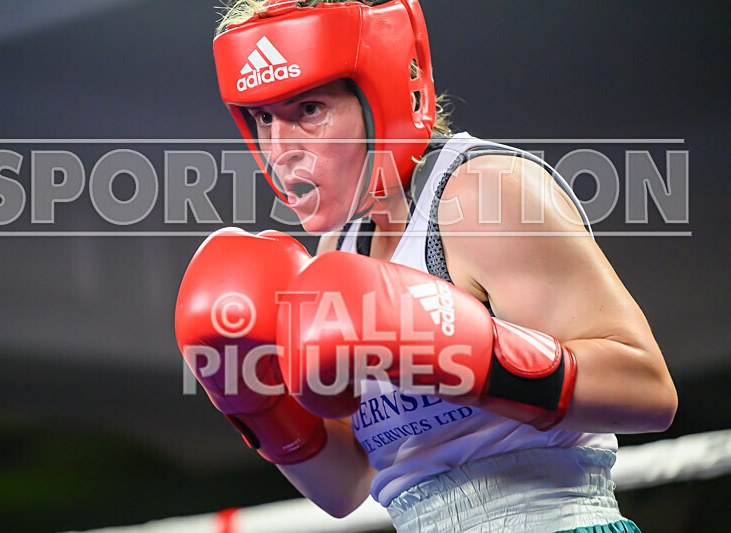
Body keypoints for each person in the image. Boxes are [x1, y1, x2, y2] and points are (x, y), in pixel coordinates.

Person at [175, 1, 678, 531]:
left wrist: (468, 354)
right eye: (263, 118)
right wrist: (258, 405)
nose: (282, 150)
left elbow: (649, 392)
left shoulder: (483, 192)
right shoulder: (338, 250)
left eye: (309, 110)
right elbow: (347, 486)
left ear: (382, 92)